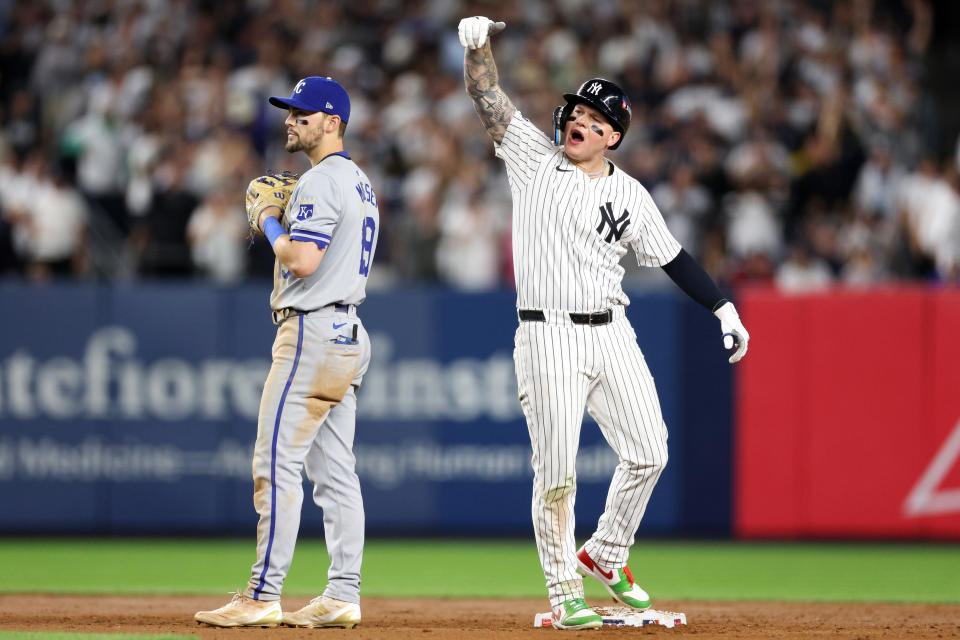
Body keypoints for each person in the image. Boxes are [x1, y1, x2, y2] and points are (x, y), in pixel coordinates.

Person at [458, 17, 750, 630]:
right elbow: (489, 100)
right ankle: (565, 590)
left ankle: (607, 552)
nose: (578, 123)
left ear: (613, 136)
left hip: (611, 330)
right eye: (574, 112)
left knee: (649, 452)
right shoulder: (535, 159)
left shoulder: (632, 195)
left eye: (594, 119)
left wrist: (722, 305)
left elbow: (673, 258)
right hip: (548, 333)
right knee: (558, 472)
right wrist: (477, 48)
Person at [194, 76, 379, 629]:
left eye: (305, 113)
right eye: (290, 111)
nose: (291, 120)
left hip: (312, 333)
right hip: (347, 332)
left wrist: (269, 220)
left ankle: (261, 593)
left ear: (333, 123)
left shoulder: (322, 181)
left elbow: (301, 261)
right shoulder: (360, 181)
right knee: (336, 474)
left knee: (275, 462)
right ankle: (344, 592)